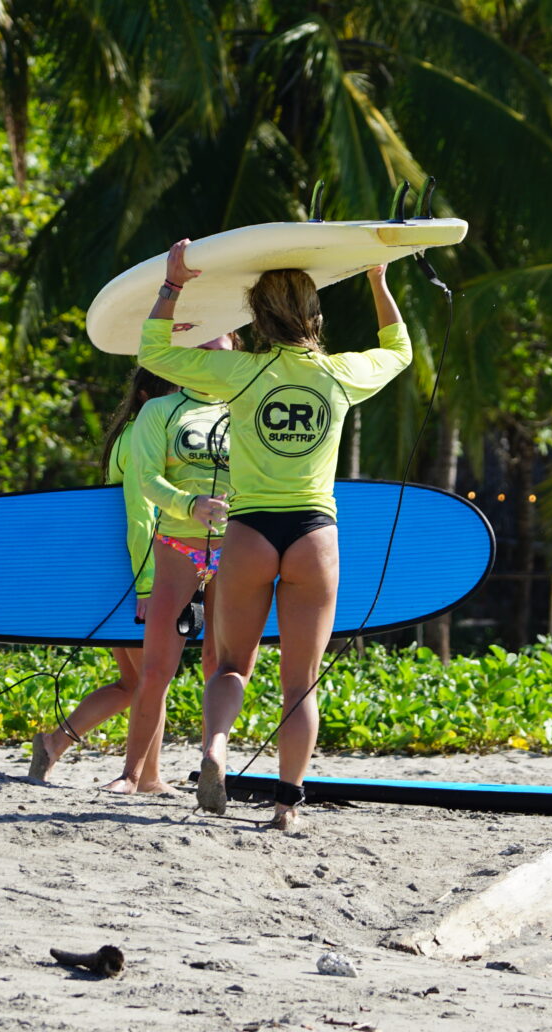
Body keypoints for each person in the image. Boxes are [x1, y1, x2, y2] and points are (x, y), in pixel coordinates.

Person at [137, 240, 410, 829]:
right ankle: (287, 807)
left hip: (250, 531)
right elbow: (401, 350)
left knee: (232, 665)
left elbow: (153, 351)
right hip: (314, 532)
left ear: (255, 318)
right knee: (300, 682)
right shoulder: (340, 374)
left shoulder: (239, 373)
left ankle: (215, 747)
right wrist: (377, 281)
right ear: (315, 317)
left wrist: (174, 284)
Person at [30, 342, 233, 789]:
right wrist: (145, 585)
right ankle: (140, 776)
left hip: (117, 575)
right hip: (137, 574)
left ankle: (57, 746)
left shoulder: (128, 436)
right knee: (149, 679)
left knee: (132, 682)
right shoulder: (144, 435)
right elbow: (142, 518)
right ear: (148, 399)